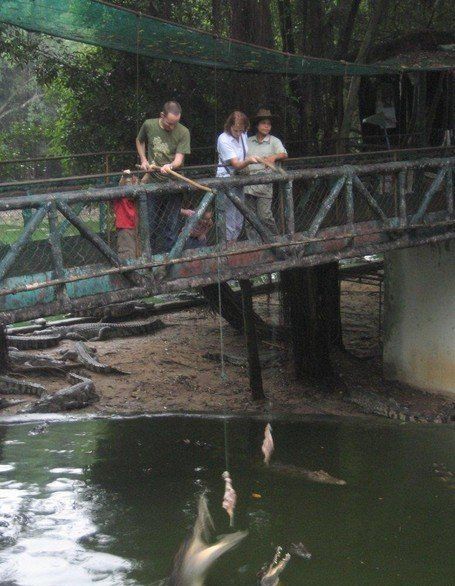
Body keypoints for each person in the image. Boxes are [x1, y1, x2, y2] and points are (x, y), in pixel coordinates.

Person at [136, 101, 191, 253]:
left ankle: (170, 260)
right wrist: (143, 160)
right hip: (152, 182)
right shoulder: (149, 125)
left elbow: (179, 160)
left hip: (173, 183)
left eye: (175, 124)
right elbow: (139, 140)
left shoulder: (183, 132)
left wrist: (171, 166)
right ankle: (149, 259)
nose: (172, 127)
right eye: (169, 123)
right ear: (162, 116)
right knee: (149, 224)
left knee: (171, 226)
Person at [244, 108, 288, 241]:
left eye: (269, 124)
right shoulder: (248, 141)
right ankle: (254, 244)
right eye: (263, 123)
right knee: (249, 217)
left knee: (265, 216)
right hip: (247, 183)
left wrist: (273, 157)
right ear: (257, 125)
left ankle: (276, 240)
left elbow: (284, 154)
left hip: (264, 184)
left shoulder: (274, 141)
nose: (266, 126)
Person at [216, 111, 258, 242]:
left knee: (240, 214)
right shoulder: (223, 139)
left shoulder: (243, 135)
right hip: (226, 179)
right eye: (236, 130)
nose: (238, 133)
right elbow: (236, 164)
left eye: (241, 130)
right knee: (229, 215)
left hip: (239, 179)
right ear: (229, 126)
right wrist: (249, 161)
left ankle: (234, 243)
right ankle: (227, 246)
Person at [113, 169, 138, 260]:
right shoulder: (120, 194)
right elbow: (121, 184)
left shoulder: (138, 195)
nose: (130, 182)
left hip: (137, 228)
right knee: (127, 256)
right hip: (125, 229)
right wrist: (125, 176)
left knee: (138, 255)